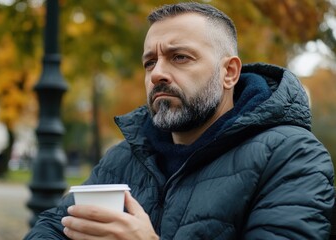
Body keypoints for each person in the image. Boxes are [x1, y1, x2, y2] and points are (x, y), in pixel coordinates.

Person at [24, 2, 334, 239]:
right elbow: (51, 226)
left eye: (179, 57)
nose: (156, 73)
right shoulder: (127, 155)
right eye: (150, 62)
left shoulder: (292, 157)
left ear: (229, 73)